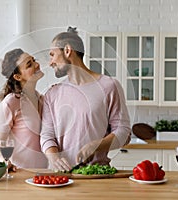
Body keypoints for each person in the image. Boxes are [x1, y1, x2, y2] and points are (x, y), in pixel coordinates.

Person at [40, 27, 131, 171]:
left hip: (97, 175)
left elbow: (123, 131)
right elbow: (46, 135)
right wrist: (55, 158)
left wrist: (95, 146)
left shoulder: (109, 86)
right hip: (63, 176)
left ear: (67, 51)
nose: (50, 62)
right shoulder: (53, 93)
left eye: (52, 55)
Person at [0, 48, 48, 170]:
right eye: (29, 64)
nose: (36, 65)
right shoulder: (11, 102)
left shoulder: (42, 99)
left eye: (34, 60)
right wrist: (4, 162)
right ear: (18, 76)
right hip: (20, 173)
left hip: (43, 173)